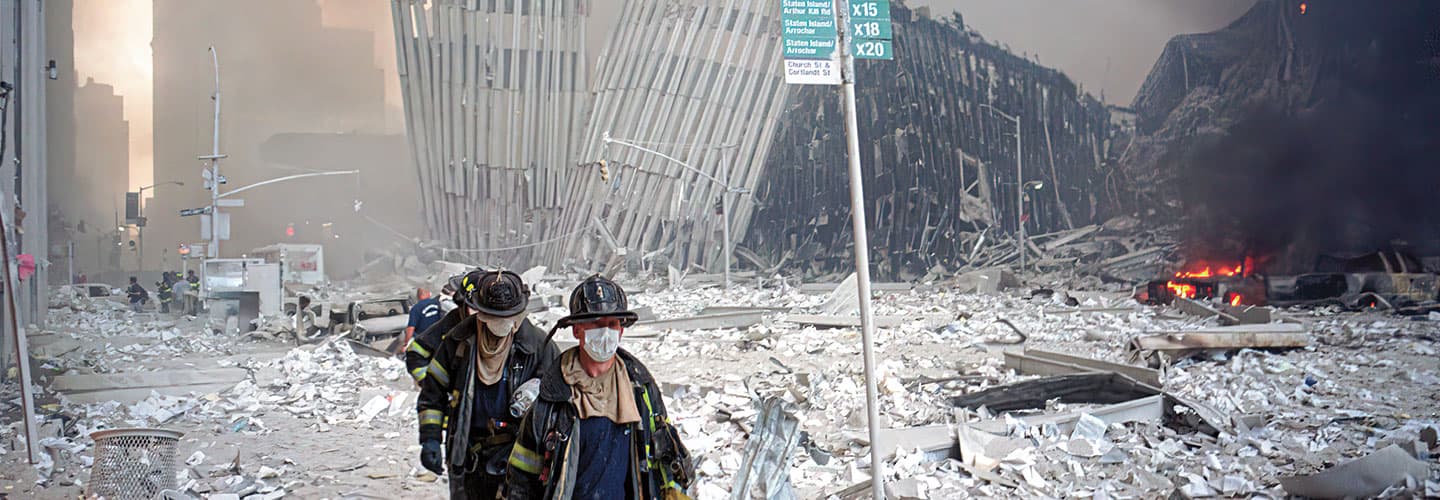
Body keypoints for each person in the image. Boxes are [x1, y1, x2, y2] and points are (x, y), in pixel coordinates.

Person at [506, 275, 694, 500]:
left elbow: (666, 455)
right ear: (577, 330)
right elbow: (522, 473)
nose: (605, 332)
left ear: (621, 331)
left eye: (612, 324)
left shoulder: (640, 388)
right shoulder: (553, 396)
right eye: (596, 323)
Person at [415, 270, 559, 499]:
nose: (501, 322)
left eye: (507, 316)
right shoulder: (458, 341)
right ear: (480, 312)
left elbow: (558, 402)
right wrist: (430, 438)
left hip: (519, 459)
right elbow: (433, 393)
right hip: (469, 455)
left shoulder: (538, 345)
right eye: (494, 315)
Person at [406, 272, 475, 384]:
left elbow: (411, 328)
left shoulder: (420, 307)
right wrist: (432, 386)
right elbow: (416, 351)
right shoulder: (452, 317)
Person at [402, 287, 444, 355]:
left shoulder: (416, 308)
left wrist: (405, 344)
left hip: (422, 341)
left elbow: (411, 328)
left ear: (419, 295)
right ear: (427, 293)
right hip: (437, 338)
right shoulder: (437, 303)